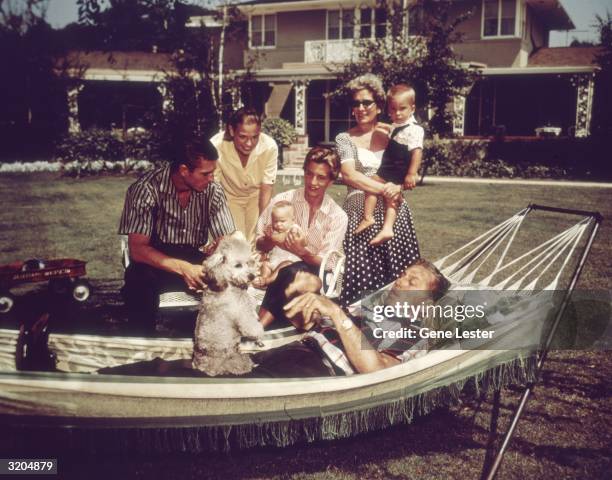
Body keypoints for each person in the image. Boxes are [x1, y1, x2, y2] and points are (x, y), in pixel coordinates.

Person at [118, 138, 235, 332]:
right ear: (183, 170)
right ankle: (142, 345)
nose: (211, 179)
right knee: (139, 280)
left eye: (213, 173)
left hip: (194, 255)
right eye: (205, 173)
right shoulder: (145, 189)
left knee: (229, 275)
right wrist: (184, 268)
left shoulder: (213, 191)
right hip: (155, 259)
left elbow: (227, 238)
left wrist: (220, 249)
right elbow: (137, 250)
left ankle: (223, 341)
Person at [335, 74, 421, 307]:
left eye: (366, 102)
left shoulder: (394, 131)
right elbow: (350, 175)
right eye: (356, 104)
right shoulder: (344, 139)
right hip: (360, 213)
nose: (361, 108)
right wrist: (386, 189)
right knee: (363, 274)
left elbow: (407, 165)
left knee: (402, 279)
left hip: (394, 212)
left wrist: (400, 185)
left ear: (379, 105)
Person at [255, 146, 348, 328]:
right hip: (277, 269)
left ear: (331, 181)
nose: (313, 182)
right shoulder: (282, 201)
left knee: (291, 271)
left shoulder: (337, 216)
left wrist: (301, 252)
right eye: (309, 174)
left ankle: (259, 325)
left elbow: (327, 263)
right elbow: (259, 243)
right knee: (286, 271)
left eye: (321, 177)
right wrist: (269, 240)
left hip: (312, 272)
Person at [355, 84, 424, 245]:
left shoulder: (415, 130)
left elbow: (417, 152)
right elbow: (394, 131)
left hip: (399, 166)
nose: (397, 113)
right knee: (372, 184)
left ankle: (385, 226)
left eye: (402, 109)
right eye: (393, 110)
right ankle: (369, 217)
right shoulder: (396, 125)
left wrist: (411, 173)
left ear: (412, 109)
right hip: (388, 165)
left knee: (390, 195)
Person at [211, 108, 278, 243]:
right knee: (237, 243)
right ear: (231, 130)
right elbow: (213, 186)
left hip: (257, 196)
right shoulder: (216, 145)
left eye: (254, 137)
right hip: (230, 197)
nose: (249, 144)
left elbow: (267, 187)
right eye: (242, 137)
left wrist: (263, 222)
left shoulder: (269, 146)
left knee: (257, 243)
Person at [253, 201, 303, 289]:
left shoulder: (294, 229)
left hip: (289, 262)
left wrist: (298, 237)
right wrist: (268, 237)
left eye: (282, 221)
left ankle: (268, 281)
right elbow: (266, 244)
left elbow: (304, 242)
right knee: (265, 264)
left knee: (285, 265)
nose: (278, 224)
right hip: (274, 261)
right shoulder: (273, 230)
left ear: (292, 220)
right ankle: (264, 278)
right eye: (275, 221)